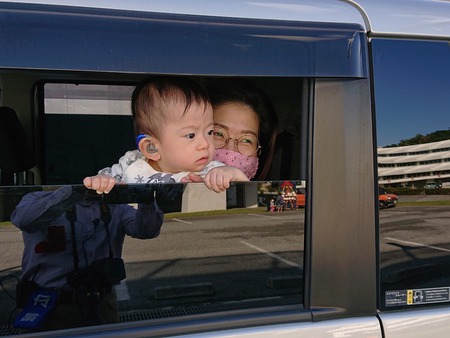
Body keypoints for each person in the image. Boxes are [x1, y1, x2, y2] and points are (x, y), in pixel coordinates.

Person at [10, 185, 163, 331]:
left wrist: (147, 199)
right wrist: (71, 193)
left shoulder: (114, 207)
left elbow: (147, 231)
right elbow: (23, 219)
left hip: (101, 303)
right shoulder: (40, 199)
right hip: (48, 304)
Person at [84, 76, 249, 194]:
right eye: (191, 135)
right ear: (151, 148)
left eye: (210, 132)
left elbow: (244, 194)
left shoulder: (211, 170)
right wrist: (101, 181)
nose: (205, 143)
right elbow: (105, 178)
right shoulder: (131, 162)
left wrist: (232, 173)